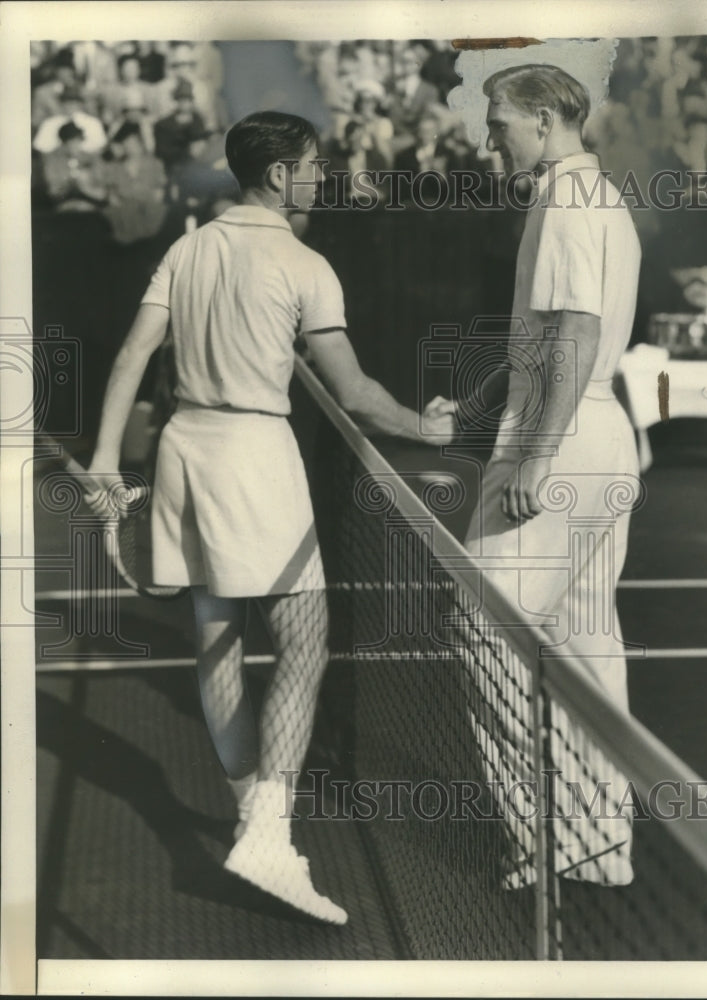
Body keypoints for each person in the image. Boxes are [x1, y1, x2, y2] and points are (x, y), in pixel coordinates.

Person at [85, 110, 454, 924]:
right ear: (283, 175)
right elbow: (356, 394)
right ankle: (269, 833)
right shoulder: (304, 262)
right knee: (304, 640)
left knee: (216, 636)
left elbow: (129, 358)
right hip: (255, 458)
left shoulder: (187, 248)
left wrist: (109, 462)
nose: (322, 179)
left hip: (184, 448)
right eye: (316, 167)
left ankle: (254, 815)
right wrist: (430, 427)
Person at [438, 64, 642, 886]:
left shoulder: (562, 196)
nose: (489, 138)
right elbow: (549, 333)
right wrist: (479, 402)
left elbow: (577, 334)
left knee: (481, 623)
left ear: (548, 120)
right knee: (585, 641)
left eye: (499, 122)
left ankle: (550, 830)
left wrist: (536, 453)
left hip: (559, 440)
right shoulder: (598, 197)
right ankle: (599, 844)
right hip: (604, 438)